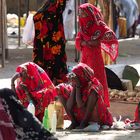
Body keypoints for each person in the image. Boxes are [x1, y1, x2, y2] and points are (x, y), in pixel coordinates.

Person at [75, 3, 119, 107]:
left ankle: (99, 107)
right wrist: (84, 43)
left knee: (96, 80)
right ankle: (85, 106)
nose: (81, 16)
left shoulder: (99, 25)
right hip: (84, 59)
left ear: (90, 15)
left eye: (83, 14)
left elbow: (111, 36)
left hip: (95, 59)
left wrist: (98, 41)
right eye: (80, 14)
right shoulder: (83, 27)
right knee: (83, 80)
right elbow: (77, 41)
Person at [56, 63, 113, 130]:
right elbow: (69, 106)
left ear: (83, 77)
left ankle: (84, 122)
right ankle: (74, 122)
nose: (74, 78)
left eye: (77, 77)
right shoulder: (78, 85)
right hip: (81, 114)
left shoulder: (93, 86)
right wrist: (75, 86)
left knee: (93, 92)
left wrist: (78, 86)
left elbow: (80, 105)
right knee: (61, 88)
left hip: (93, 117)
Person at [33, 0, 68, 85]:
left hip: (54, 46)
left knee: (55, 72)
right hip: (41, 46)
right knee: (41, 75)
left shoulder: (58, 5)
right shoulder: (46, 4)